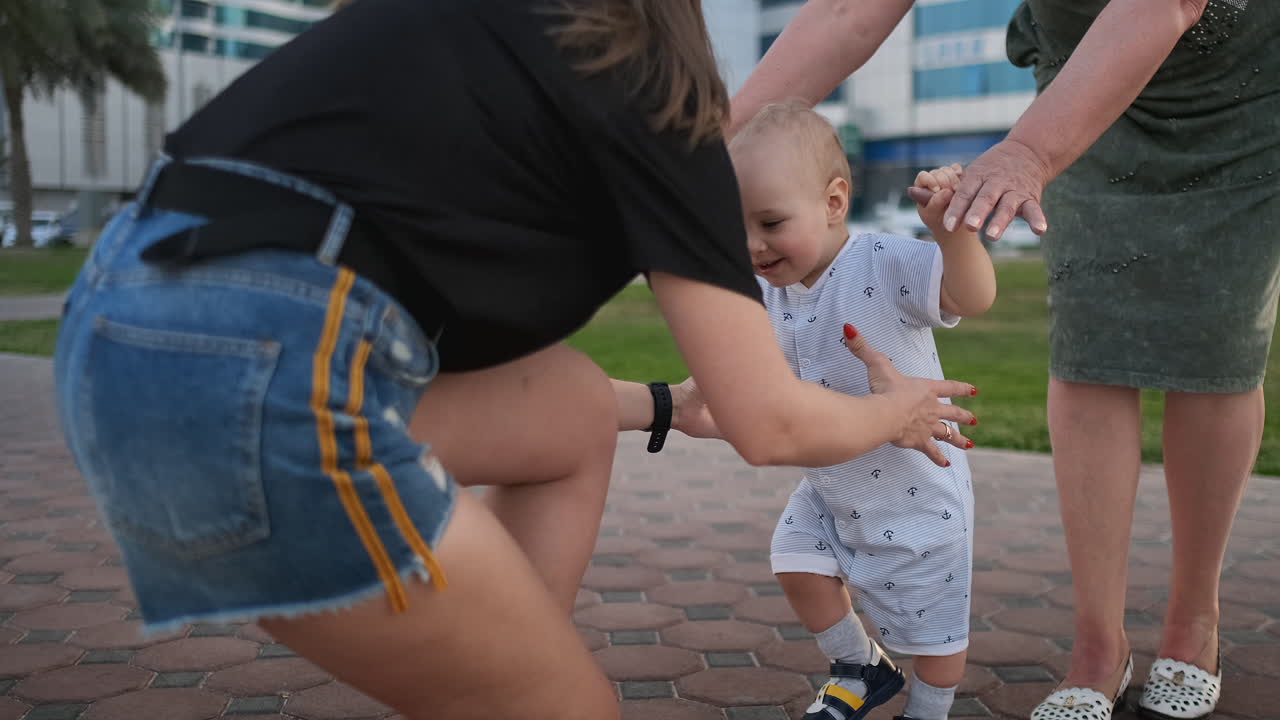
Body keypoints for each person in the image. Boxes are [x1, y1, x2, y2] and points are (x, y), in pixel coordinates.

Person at [51, 2, 978, 719]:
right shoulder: (653, 92)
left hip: (119, 326)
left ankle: (505, 669)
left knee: (571, 413)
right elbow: (771, 423)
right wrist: (896, 412)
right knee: (569, 710)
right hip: (271, 370)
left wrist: (664, 405)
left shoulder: (457, 28)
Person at [731, 1, 1277, 718]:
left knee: (1217, 343)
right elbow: (844, 9)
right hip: (1086, 83)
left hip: (1234, 87)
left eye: (770, 223)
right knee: (1091, 346)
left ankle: (1192, 624)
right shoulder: (784, 286)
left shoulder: (882, 258)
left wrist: (1025, 155)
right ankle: (1095, 649)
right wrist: (712, 144)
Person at [728, 102, 994, 720]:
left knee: (934, 631)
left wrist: (955, 236)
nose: (752, 244)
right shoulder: (769, 291)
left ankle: (930, 706)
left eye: (770, 222)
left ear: (834, 202)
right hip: (831, 481)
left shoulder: (883, 259)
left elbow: (972, 296)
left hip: (917, 489)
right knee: (794, 563)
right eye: (736, 225)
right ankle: (861, 665)